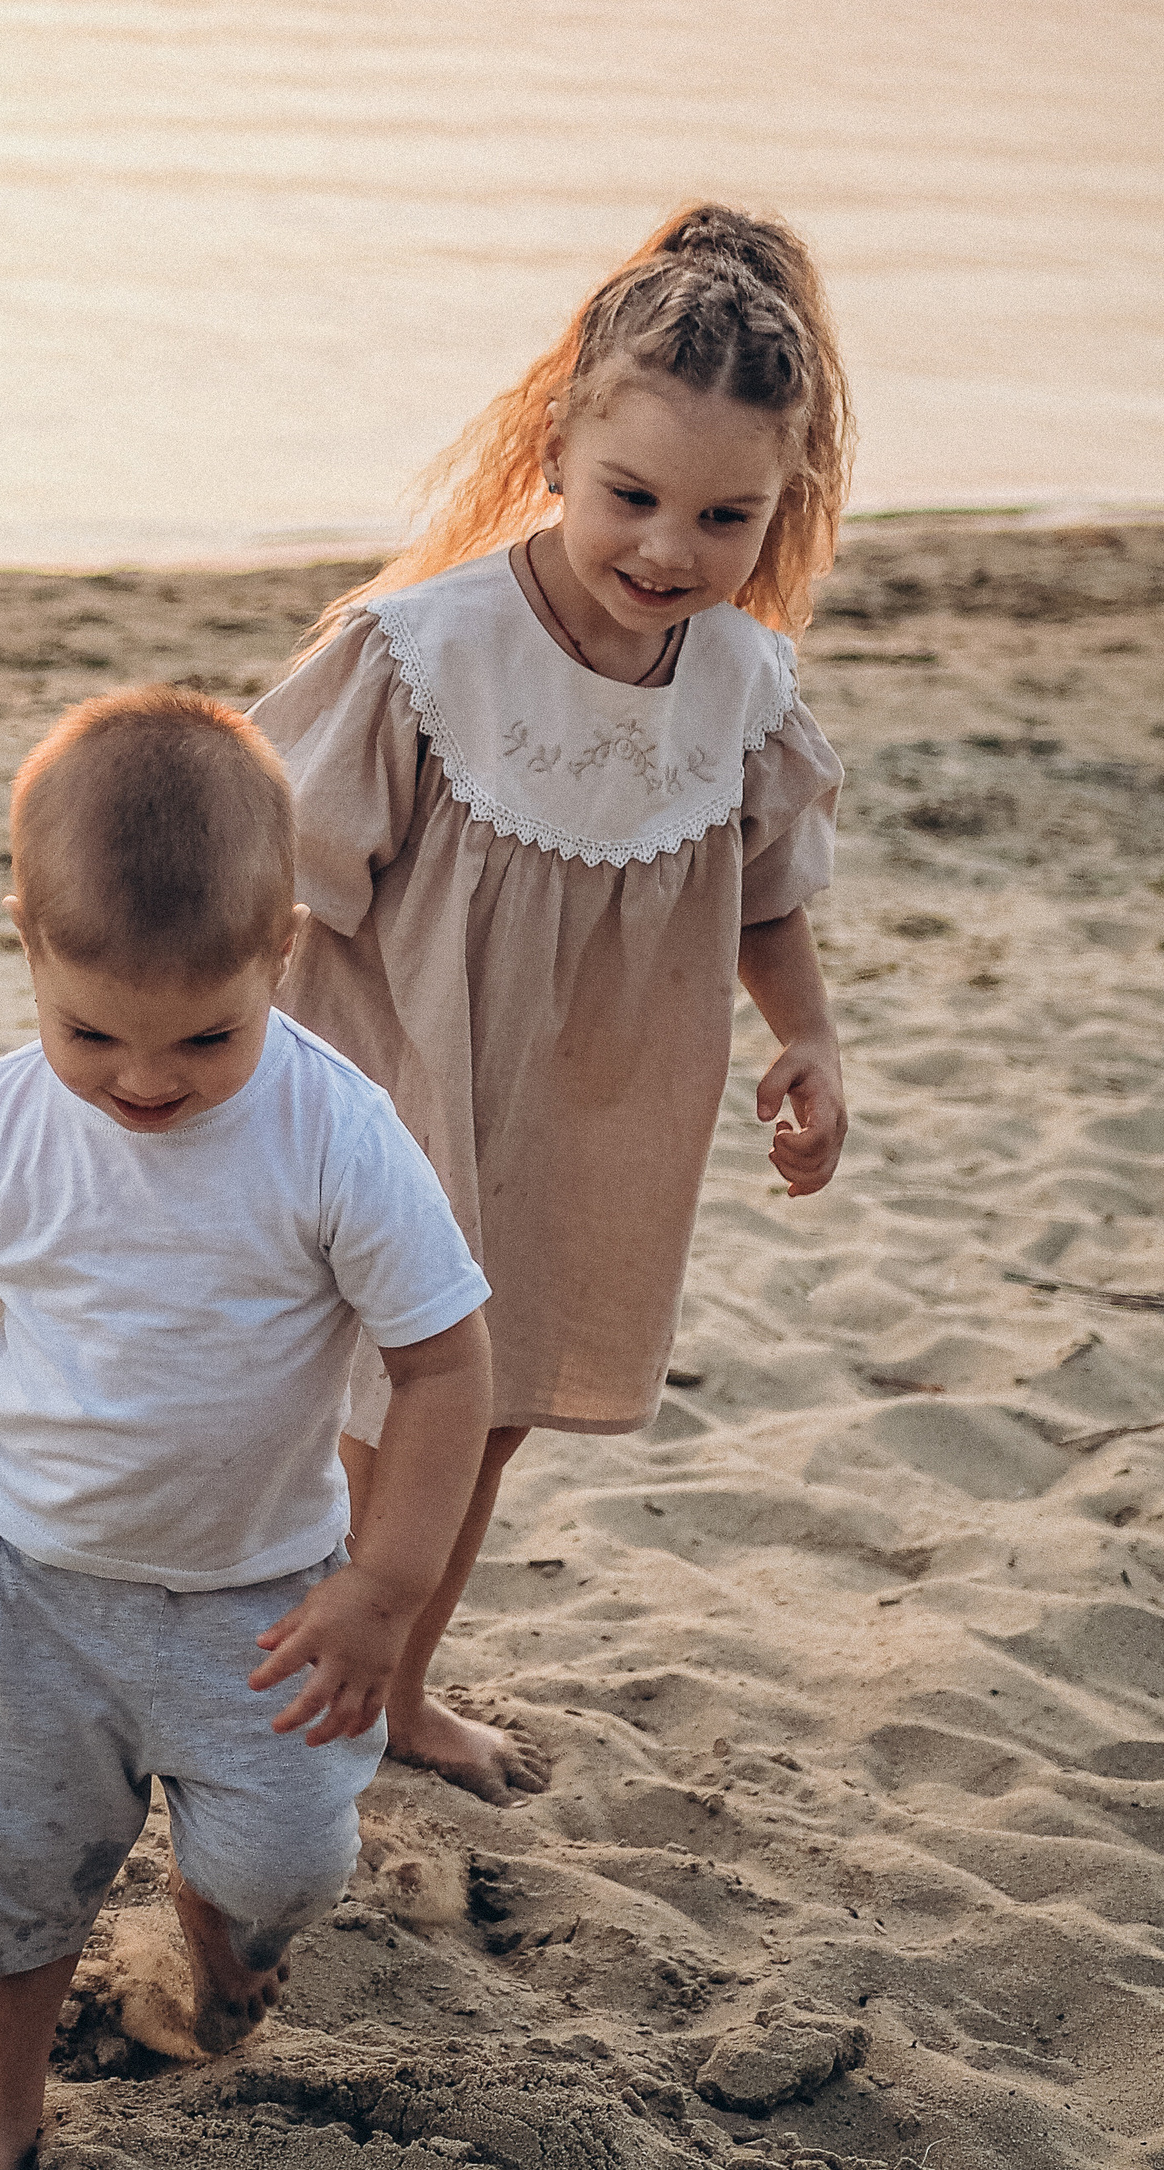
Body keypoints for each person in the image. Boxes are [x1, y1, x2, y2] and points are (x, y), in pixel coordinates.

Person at [0, 688, 495, 2170]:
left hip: (267, 1594)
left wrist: (386, 1585)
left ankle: (220, 1918)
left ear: (281, 950)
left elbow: (442, 1361)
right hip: (20, 1584)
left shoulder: (335, 1134)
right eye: (94, 1032)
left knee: (291, 1855)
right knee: (9, 1866)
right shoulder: (1, 1121)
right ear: (24, 937)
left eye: (202, 1038)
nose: (145, 1083)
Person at [250, 202, 853, 1806]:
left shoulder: (740, 681)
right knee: (376, 1400)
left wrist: (810, 1036)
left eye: (724, 517)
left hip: (591, 1103)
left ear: (781, 500)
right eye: (632, 496)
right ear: (560, 440)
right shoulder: (427, 652)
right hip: (402, 1076)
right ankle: (290, 1685)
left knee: (490, 1413)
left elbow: (770, 888)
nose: (668, 550)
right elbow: (279, 873)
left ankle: (395, 1685)